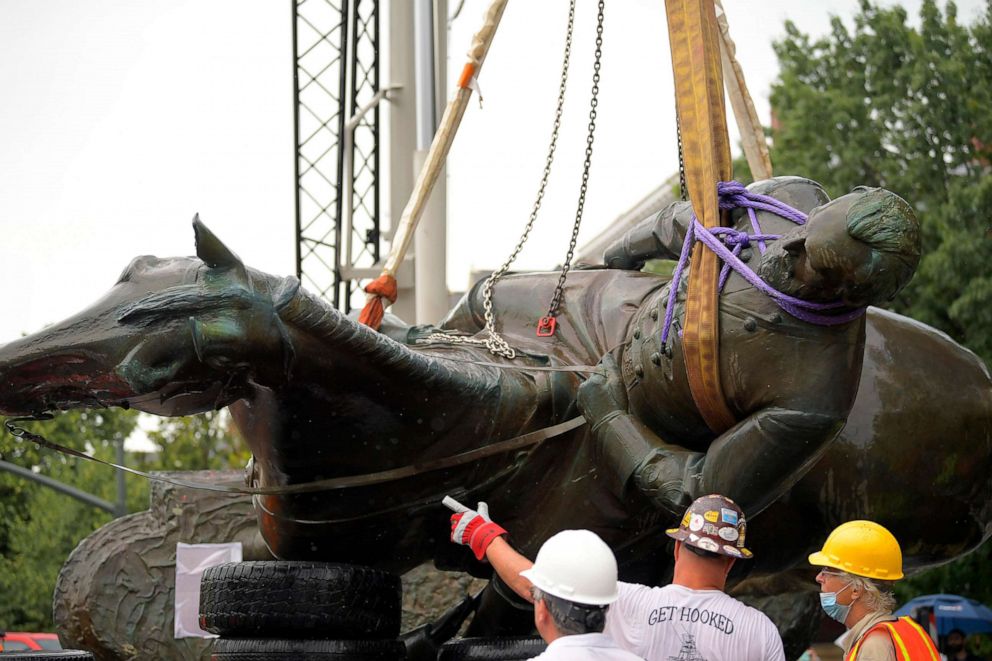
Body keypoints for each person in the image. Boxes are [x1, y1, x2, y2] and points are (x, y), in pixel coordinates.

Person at [450, 493, 786, 661]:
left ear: (677, 549)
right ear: (730, 563)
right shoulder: (759, 631)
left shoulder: (630, 602)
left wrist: (484, 536)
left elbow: (534, 584)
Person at [809, 520, 941, 660]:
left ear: (856, 590)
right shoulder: (911, 631)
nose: (819, 577)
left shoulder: (874, 645)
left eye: (827, 570)